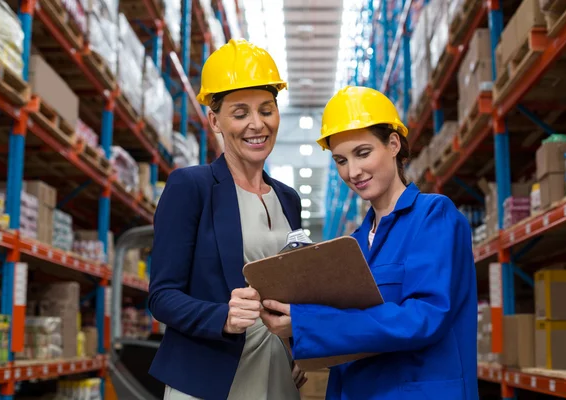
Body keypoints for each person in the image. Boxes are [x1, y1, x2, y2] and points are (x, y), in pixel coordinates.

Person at [260, 86, 479, 400]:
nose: (353, 171)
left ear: (392, 144)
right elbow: (348, 334)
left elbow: (424, 317)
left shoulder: (434, 217)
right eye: (340, 160)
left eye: (362, 153)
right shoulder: (353, 245)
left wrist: (310, 324)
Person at [147, 39, 307, 400]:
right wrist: (222, 316)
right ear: (215, 120)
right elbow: (161, 296)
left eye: (267, 109)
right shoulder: (191, 187)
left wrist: (298, 341)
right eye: (240, 113)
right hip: (209, 378)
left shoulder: (288, 199)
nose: (257, 124)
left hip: (279, 371)